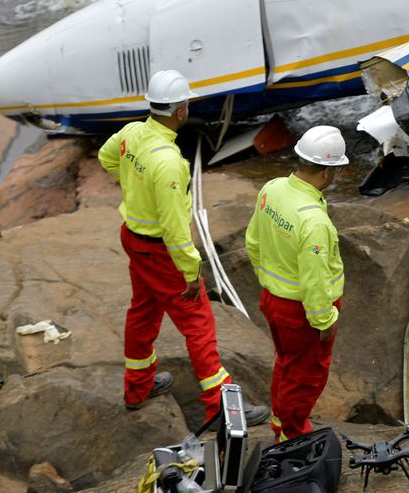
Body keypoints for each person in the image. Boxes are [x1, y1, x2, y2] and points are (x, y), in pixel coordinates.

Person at [99, 69, 268, 426]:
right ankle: (219, 409)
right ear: (180, 111)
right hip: (161, 252)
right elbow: (177, 233)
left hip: (133, 238)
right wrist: (192, 273)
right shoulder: (170, 164)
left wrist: (133, 188)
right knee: (199, 325)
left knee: (143, 312)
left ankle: (138, 387)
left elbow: (106, 158)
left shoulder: (132, 132)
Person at [245, 126, 348, 443]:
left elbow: (252, 243)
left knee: (286, 364)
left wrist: (269, 280)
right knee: (306, 375)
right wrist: (324, 319)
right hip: (303, 311)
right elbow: (314, 278)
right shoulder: (314, 221)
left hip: (273, 299)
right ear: (329, 170)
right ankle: (292, 435)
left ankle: (279, 423)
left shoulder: (272, 189)